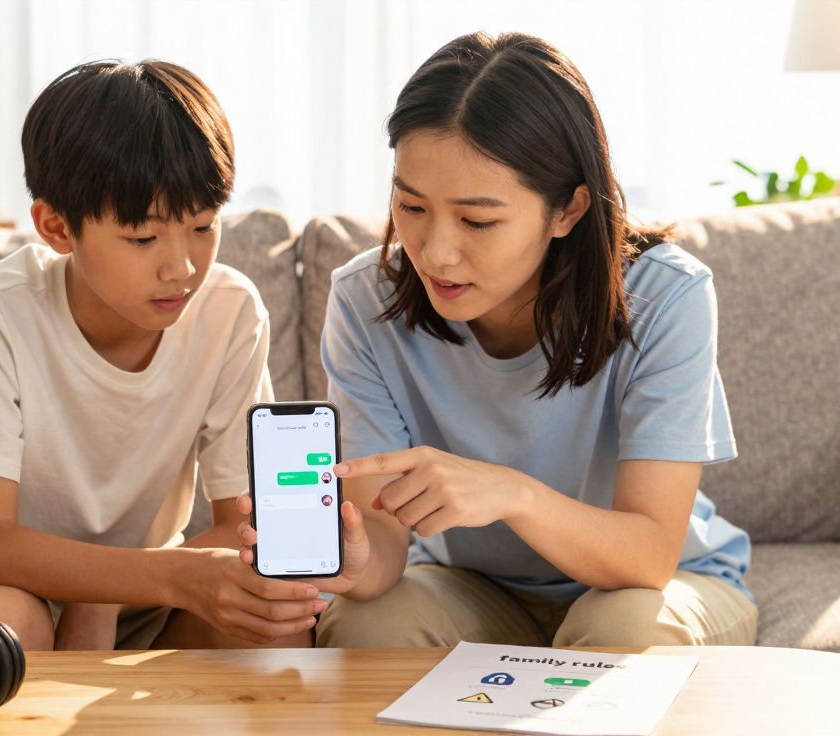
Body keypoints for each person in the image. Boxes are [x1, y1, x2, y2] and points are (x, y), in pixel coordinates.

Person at [238, 32, 755, 648]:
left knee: (621, 633)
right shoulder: (364, 302)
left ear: (566, 211)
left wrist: (513, 495)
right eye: (411, 206)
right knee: (366, 625)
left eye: (478, 220)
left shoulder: (666, 297)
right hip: (472, 587)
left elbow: (648, 557)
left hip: (651, 586)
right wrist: (352, 563)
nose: (436, 251)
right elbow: (381, 550)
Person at [0, 60, 325, 652]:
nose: (183, 267)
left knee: (276, 633)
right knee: (8, 629)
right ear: (57, 227)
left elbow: (241, 525)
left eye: (203, 227)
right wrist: (146, 580)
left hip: (145, 586)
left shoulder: (230, 312)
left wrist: (106, 595)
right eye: (143, 238)